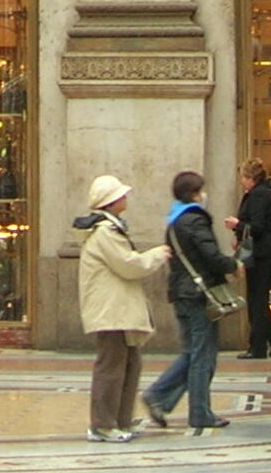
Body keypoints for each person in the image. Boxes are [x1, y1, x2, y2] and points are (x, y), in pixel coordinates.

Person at [141, 169, 237, 435]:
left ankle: (160, 398)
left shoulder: (174, 221)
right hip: (198, 294)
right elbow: (210, 255)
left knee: (191, 351)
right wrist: (233, 264)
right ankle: (198, 411)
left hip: (182, 292)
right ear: (194, 193)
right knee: (202, 355)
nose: (204, 195)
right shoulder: (195, 220)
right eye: (201, 190)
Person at [75, 174, 169, 442]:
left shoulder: (110, 229)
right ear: (111, 202)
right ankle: (103, 424)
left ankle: (121, 420)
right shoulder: (106, 232)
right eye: (121, 195)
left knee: (130, 364)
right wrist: (158, 254)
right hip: (111, 312)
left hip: (118, 311)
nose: (126, 198)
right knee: (111, 367)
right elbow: (129, 265)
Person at [228, 159, 271, 360]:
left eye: (243, 177)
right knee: (259, 300)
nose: (241, 182)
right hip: (261, 252)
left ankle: (257, 347)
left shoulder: (258, 195)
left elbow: (256, 226)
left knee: (257, 301)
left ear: (251, 178)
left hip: (262, 254)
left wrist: (237, 225)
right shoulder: (260, 194)